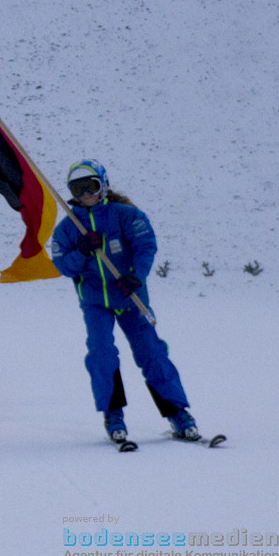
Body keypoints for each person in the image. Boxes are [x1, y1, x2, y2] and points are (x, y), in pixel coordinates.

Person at [50, 159, 199, 446]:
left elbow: (146, 246)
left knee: (152, 353)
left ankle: (178, 413)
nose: (85, 194)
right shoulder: (68, 229)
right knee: (101, 353)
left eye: (90, 186)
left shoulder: (127, 215)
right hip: (95, 303)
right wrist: (81, 251)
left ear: (103, 185)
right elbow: (64, 266)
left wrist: (136, 276)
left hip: (131, 298)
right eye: (77, 189)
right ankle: (113, 414)